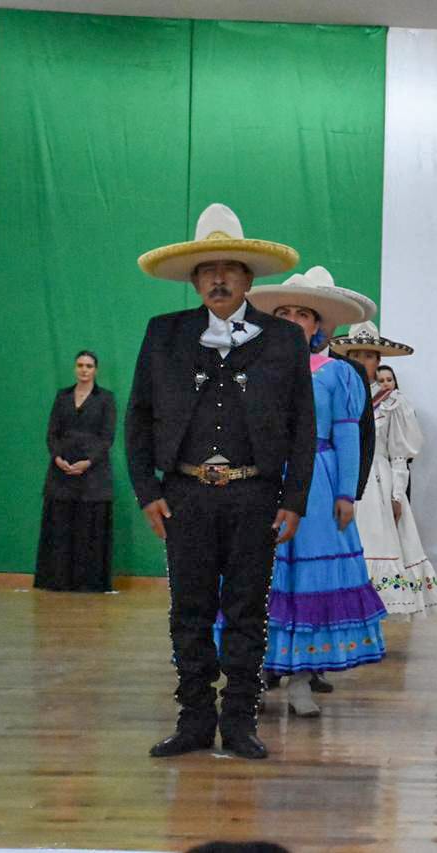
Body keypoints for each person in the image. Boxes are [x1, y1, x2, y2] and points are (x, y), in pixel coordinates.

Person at [126, 203, 314, 760]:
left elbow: (304, 426)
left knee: (246, 609)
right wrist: (147, 492)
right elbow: (138, 419)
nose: (218, 278)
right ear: (194, 279)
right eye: (207, 270)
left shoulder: (283, 340)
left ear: (248, 277)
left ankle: (239, 723)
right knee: (188, 608)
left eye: (229, 269)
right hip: (183, 496)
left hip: (255, 494)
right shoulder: (164, 335)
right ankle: (192, 720)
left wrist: (295, 498)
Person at [240, 266, 388, 718]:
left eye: (301, 314)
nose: (291, 320)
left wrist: (347, 492)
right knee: (258, 579)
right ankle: (254, 675)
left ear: (317, 324)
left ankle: (302, 679)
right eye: (282, 312)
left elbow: (348, 434)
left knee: (307, 580)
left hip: (318, 484)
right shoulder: (252, 366)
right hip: (263, 480)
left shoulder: (337, 375)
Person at [330, 322, 437, 618]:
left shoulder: (392, 402)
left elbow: (399, 455)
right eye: (356, 355)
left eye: (369, 356)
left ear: (379, 361)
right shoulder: (338, 392)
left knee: (375, 542)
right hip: (340, 477)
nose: (363, 361)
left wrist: (397, 494)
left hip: (376, 482)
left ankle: (375, 613)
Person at [34, 350, 117, 592]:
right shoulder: (62, 397)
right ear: (74, 368)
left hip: (93, 476)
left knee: (88, 529)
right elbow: (52, 433)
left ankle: (88, 583)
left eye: (89, 366)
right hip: (61, 473)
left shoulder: (106, 399)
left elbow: (107, 437)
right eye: (80, 365)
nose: (84, 370)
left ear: (95, 370)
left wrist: (88, 462)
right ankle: (56, 580)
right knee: (60, 526)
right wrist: (57, 457)